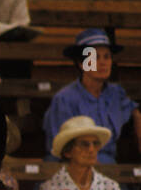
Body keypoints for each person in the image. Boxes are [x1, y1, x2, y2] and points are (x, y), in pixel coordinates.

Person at [43, 29, 141, 166]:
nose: (102, 63)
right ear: (81, 63)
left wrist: (137, 117)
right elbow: (58, 149)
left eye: (107, 57)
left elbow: (134, 111)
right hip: (73, 166)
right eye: (94, 57)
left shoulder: (116, 93)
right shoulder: (64, 99)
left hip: (110, 167)